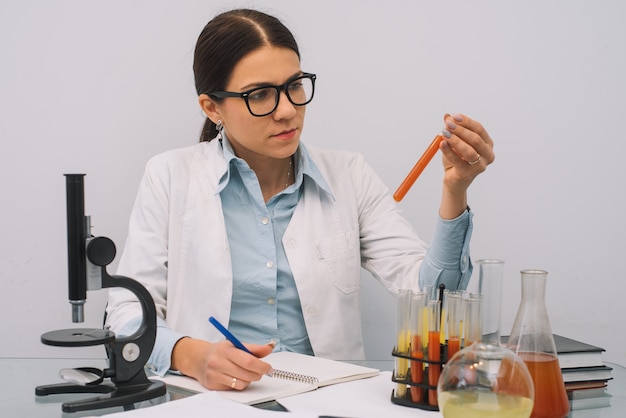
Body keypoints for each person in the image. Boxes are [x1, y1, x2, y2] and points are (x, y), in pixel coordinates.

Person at [105, 8, 494, 392]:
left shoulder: (350, 175)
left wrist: (454, 190)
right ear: (212, 107)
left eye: (294, 85)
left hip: (331, 401)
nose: (288, 111)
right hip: (215, 402)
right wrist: (192, 356)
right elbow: (125, 314)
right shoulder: (170, 176)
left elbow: (437, 299)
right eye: (260, 95)